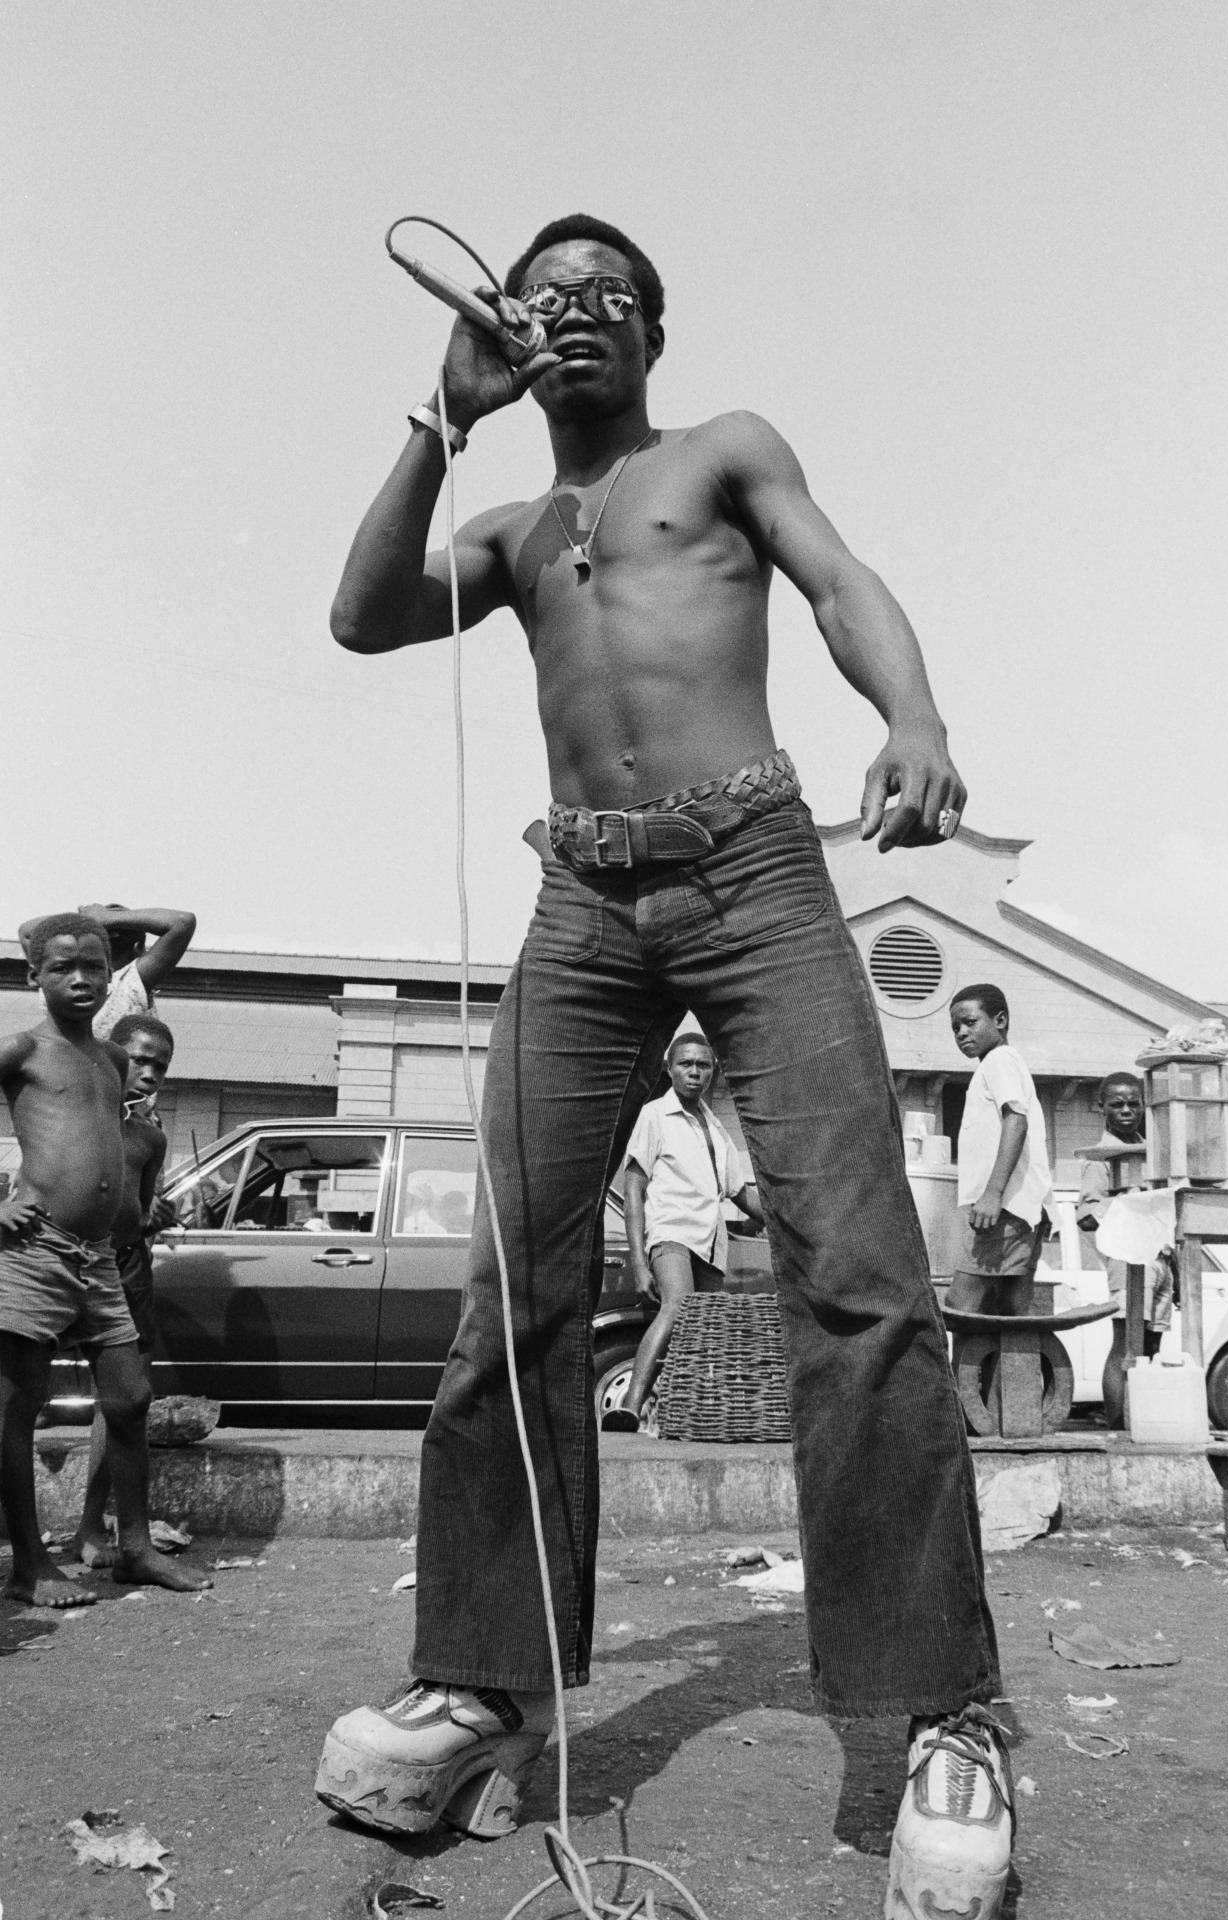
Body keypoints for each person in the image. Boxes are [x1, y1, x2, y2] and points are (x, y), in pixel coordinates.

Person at [316, 214, 1012, 1920]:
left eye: (611, 299)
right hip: (583, 902)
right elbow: (360, 615)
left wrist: (912, 720)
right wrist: (438, 415)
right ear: (508, 330)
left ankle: (940, 1713)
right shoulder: (503, 523)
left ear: (653, 336)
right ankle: (482, 1680)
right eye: (546, 301)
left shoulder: (722, 456)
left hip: (759, 873)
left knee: (859, 1280)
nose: (578, 318)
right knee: (515, 1293)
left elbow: (845, 585)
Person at [0, 916, 209, 1604]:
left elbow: (100, 1150)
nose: (82, 979)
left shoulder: (112, 1061)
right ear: (34, 975)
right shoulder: (22, 1051)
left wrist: (137, 1208)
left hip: (100, 1257)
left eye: (94, 965)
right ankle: (30, 1564)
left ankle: (136, 1548)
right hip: (34, 1251)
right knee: (19, 1403)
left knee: (129, 1396)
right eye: (63, 968)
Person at [604, 1031, 763, 1432]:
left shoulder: (718, 1129)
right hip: (671, 1233)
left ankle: (685, 1414)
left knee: (699, 1334)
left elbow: (740, 1194)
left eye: (703, 1065)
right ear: (669, 1068)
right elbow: (635, 1188)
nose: (694, 1072)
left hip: (711, 1243)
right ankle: (629, 1404)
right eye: (686, 1064)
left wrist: (788, 1216)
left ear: (713, 1072)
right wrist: (639, 1262)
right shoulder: (654, 1115)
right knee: (677, 1306)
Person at [72, 1013, 178, 1567]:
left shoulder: (150, 1139)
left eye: (160, 1066)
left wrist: (154, 1215)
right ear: (113, 1056)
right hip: (57, 1258)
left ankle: (92, 1529)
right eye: (140, 1059)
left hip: (125, 1267)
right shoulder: (70, 1113)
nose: (150, 1074)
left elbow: (136, 1212)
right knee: (16, 1397)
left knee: (124, 1400)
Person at [1074, 1072, 1174, 1426]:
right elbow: (1085, 1215)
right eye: (1118, 1105)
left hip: (1160, 1260)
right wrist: (1125, 1206)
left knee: (1151, 1348)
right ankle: (1118, 1425)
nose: (1127, 1111)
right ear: (1102, 1108)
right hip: (1129, 1260)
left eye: (1134, 1104)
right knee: (1127, 1345)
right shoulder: (1100, 1158)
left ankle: (1144, 1420)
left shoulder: (1154, 1151)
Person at [948, 984, 1052, 1317]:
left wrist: (992, 1193)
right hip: (1015, 1208)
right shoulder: (999, 1064)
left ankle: (962, 1371)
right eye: (955, 1028)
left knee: (961, 1305)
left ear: (1000, 1020)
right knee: (1007, 1312)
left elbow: (1016, 1122)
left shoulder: (999, 1060)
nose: (962, 1032)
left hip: (1003, 1210)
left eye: (970, 1022)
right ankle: (1023, 1370)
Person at [19, 902, 197, 1040]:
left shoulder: (60, 982)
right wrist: (109, 917)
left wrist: (87, 919)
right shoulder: (128, 986)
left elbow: (27, 931)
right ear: (139, 947)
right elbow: (182, 922)